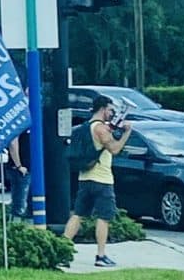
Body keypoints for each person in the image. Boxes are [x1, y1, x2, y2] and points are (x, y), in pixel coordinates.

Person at [64, 95, 133, 268]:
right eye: (111, 110)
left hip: (85, 177)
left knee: (78, 214)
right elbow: (115, 149)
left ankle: (62, 250)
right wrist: (126, 133)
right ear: (102, 109)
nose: (112, 113)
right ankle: (101, 256)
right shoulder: (101, 129)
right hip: (102, 179)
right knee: (104, 217)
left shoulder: (87, 127)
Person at [8, 129, 31, 221]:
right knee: (20, 204)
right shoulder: (21, 123)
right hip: (21, 169)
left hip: (27, 168)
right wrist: (19, 165)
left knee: (26, 203)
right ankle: (15, 228)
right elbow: (13, 143)